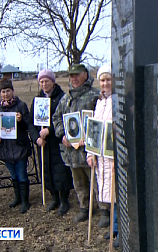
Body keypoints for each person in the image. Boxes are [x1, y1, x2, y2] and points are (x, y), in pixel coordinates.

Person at [52, 64, 110, 226]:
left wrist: (91, 138)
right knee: (79, 183)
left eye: (77, 75)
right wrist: (63, 134)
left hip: (90, 151)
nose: (74, 79)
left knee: (97, 181)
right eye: (71, 76)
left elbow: (100, 121)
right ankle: (85, 207)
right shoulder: (66, 98)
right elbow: (56, 118)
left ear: (85, 75)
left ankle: (104, 209)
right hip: (71, 152)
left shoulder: (94, 96)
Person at [28, 69, 74, 215]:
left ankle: (64, 199)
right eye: (41, 81)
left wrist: (50, 130)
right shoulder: (37, 100)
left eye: (46, 81)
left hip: (58, 141)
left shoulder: (62, 98)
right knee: (47, 169)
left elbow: (65, 118)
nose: (43, 84)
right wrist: (37, 138)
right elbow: (31, 122)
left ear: (53, 82)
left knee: (61, 170)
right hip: (44, 143)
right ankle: (54, 197)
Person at [86, 65, 119, 247]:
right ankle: (114, 228)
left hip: (114, 157)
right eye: (102, 80)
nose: (105, 83)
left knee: (120, 196)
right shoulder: (99, 102)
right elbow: (94, 129)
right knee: (111, 195)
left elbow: (122, 132)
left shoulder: (119, 101)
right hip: (101, 157)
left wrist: (118, 157)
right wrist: (90, 153)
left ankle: (123, 229)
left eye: (108, 79)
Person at [0, 78, 33, 214]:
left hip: (19, 147)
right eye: (3, 91)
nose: (5, 94)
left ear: (13, 91)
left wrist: (21, 121)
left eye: (8, 91)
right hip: (6, 148)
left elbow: (29, 125)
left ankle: (25, 201)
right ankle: (18, 197)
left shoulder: (21, 106)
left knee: (21, 174)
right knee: (13, 175)